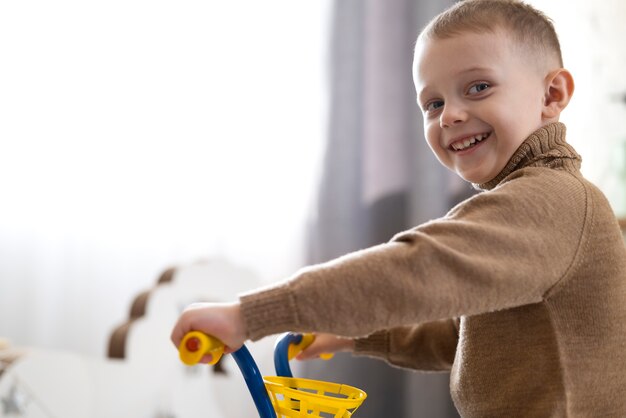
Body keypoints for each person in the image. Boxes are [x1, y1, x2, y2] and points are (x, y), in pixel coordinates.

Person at [171, 0, 626, 415]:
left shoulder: (553, 203)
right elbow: (466, 336)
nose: (449, 115)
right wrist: (357, 333)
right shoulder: (532, 206)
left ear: (552, 96)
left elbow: (417, 269)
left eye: (479, 86)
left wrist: (250, 315)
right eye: (433, 103)